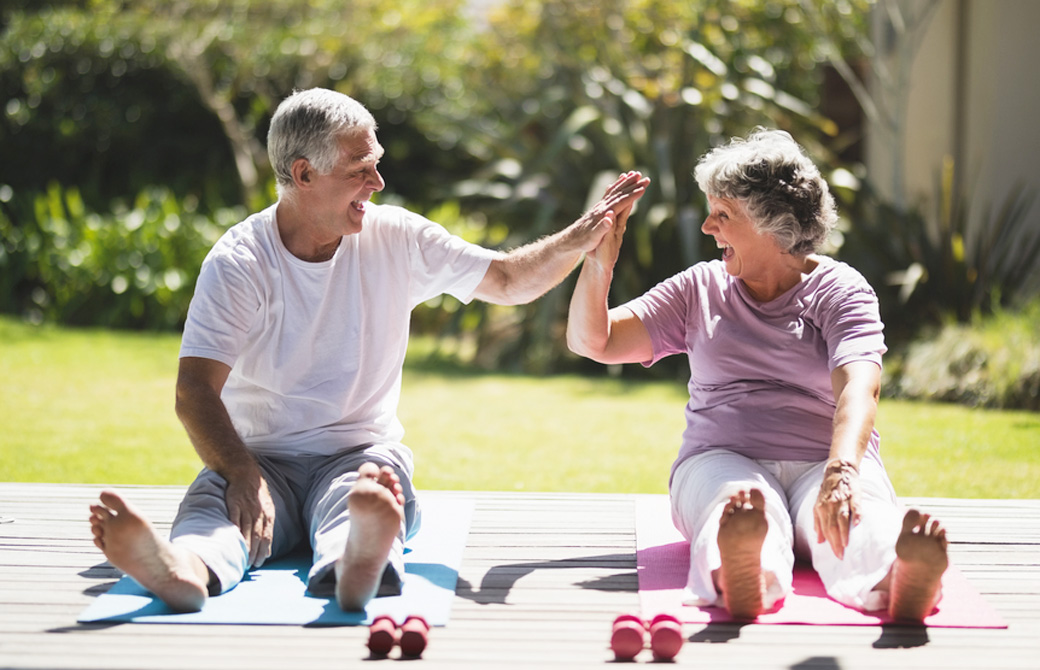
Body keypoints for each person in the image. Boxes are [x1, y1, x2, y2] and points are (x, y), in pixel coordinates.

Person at [88, 87, 649, 613]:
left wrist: (582, 235)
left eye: (375, 164)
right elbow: (194, 391)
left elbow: (506, 281)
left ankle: (355, 561)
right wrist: (241, 473)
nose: (377, 183)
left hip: (357, 454)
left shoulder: (397, 237)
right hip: (258, 459)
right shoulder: (240, 261)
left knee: (364, 496)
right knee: (214, 515)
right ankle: (180, 569)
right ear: (304, 174)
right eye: (359, 170)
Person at [566, 128, 948, 621]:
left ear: (774, 224)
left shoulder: (840, 289)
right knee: (735, 506)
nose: (708, 227)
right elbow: (592, 342)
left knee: (859, 513)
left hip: (826, 458)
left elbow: (859, 386)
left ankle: (900, 575)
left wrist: (842, 470)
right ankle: (743, 570)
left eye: (723, 215)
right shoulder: (699, 288)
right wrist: (599, 260)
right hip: (721, 457)